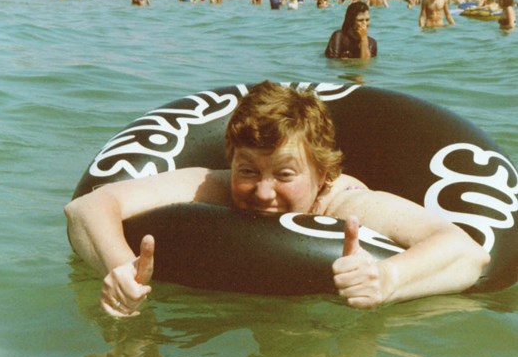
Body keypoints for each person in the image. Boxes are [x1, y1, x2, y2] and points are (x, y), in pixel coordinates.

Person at [64, 81, 489, 317]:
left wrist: (388, 280)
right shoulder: (211, 183)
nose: (263, 191)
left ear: (323, 173)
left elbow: (467, 251)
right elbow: (87, 206)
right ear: (231, 159)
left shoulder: (348, 203)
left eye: (285, 175)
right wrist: (119, 269)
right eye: (248, 171)